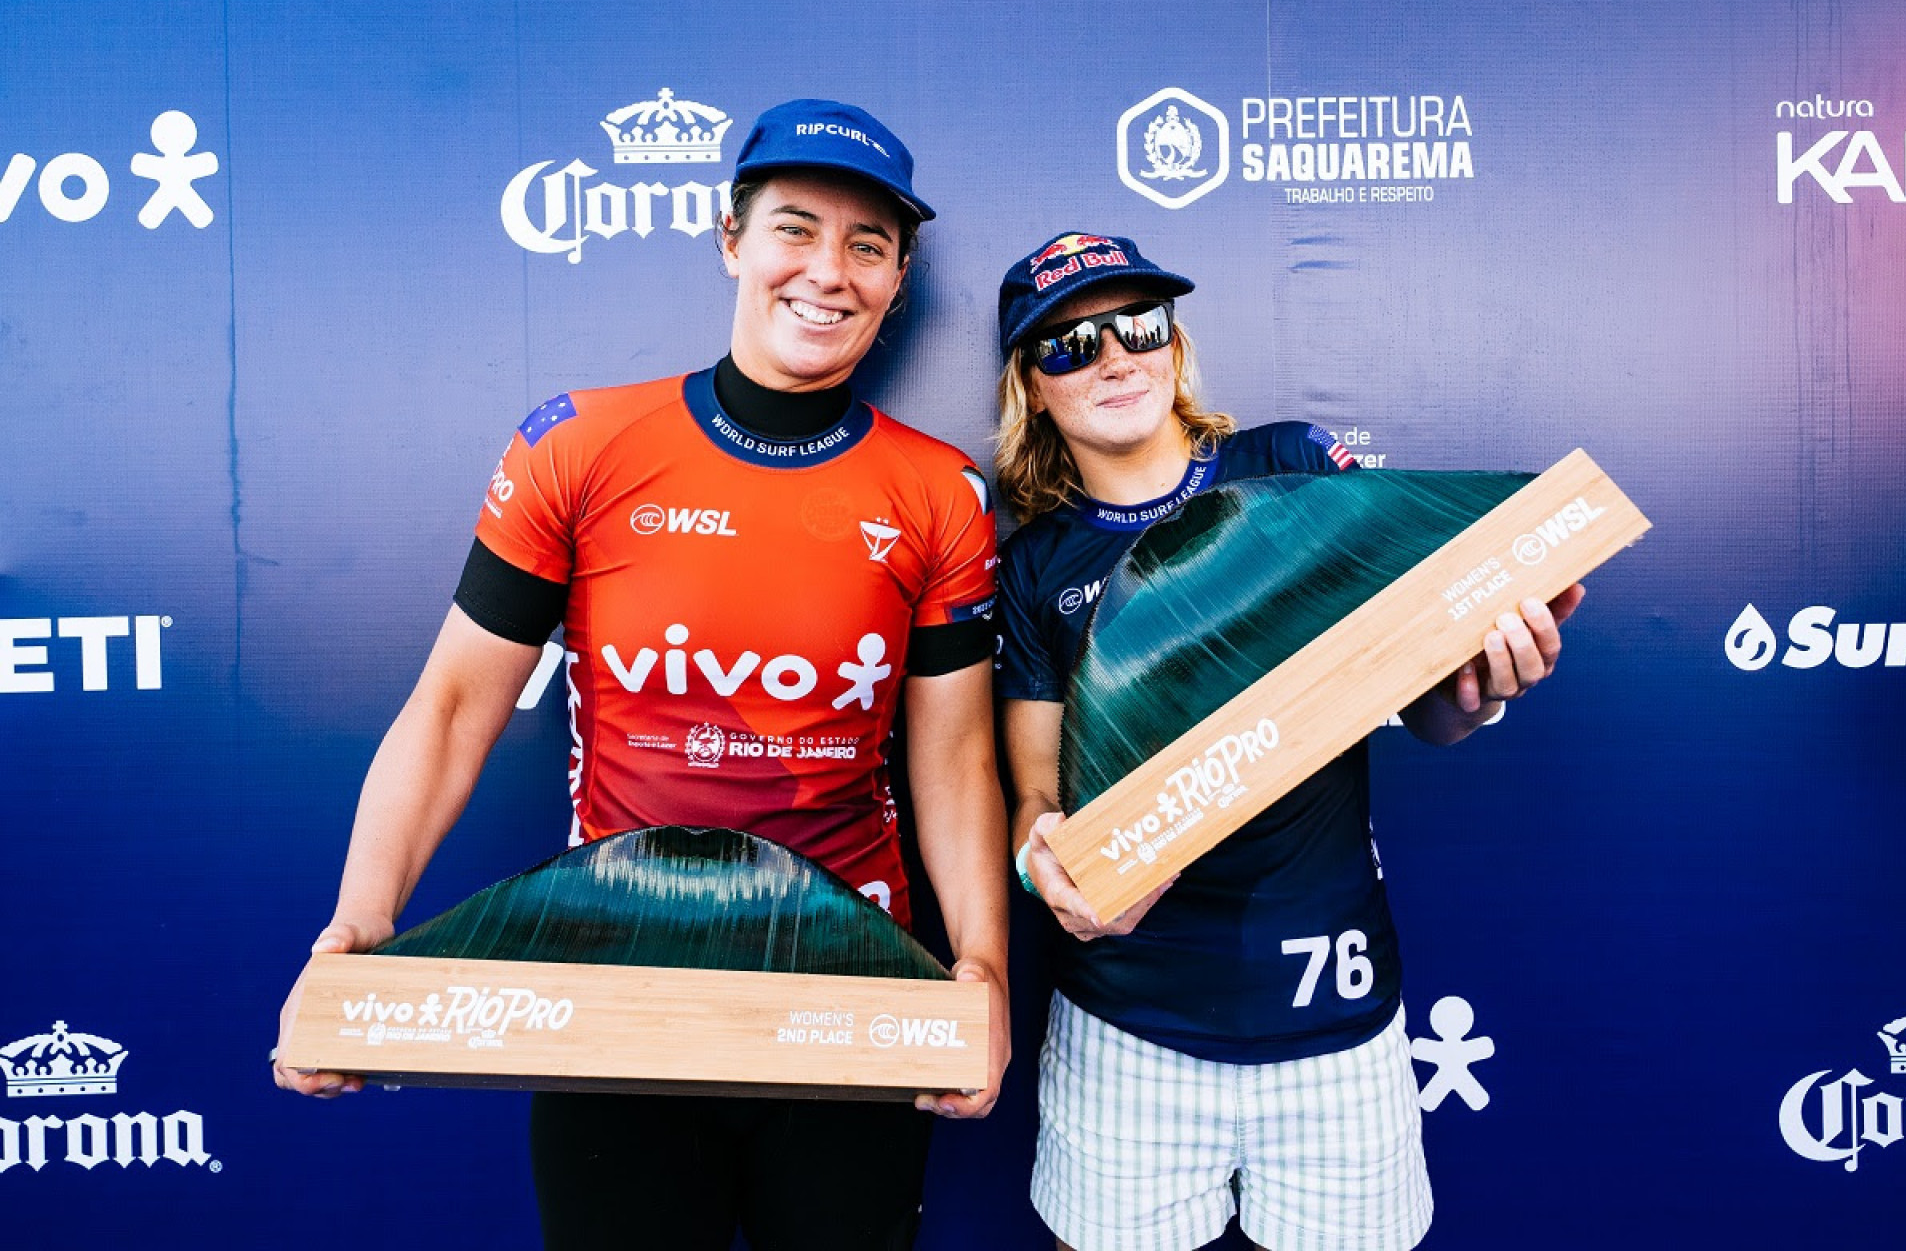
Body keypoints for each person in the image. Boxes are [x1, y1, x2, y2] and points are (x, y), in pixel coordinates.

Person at [274, 99, 1010, 1251]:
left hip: (855, 993)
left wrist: (980, 970)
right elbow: (457, 706)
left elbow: (958, 761)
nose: (828, 271)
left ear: (900, 279)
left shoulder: (940, 491)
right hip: (610, 989)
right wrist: (359, 926)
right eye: (795, 229)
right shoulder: (578, 443)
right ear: (730, 240)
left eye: (867, 246)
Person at [991, 231, 1582, 1251]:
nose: (1114, 356)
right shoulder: (1037, 565)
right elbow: (1036, 803)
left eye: (1139, 325)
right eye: (1069, 345)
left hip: (1333, 1024)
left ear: (1174, 347)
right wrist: (1049, 871)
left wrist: (1486, 683)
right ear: (1031, 389)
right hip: (1129, 1029)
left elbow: (1432, 707)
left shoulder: (1291, 464)